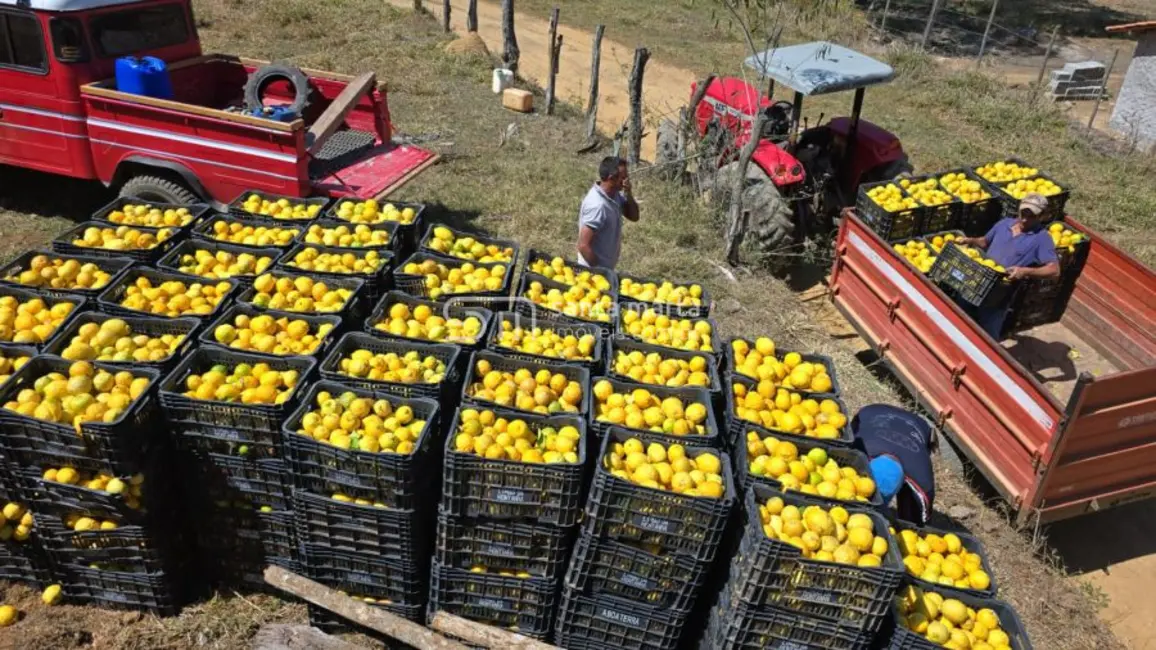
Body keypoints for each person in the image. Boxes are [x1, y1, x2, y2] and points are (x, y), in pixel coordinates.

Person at [955, 192, 1060, 339]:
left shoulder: (1042, 238)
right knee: (959, 315)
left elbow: (1054, 270)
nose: (1025, 219)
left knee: (988, 332)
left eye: (1032, 216)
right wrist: (970, 240)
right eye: (1023, 213)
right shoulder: (1004, 223)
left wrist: (1024, 271)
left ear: (1042, 216)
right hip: (977, 280)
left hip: (999, 293)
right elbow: (985, 241)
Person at [852, 404, 936, 525]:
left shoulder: (922, 478)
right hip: (872, 411)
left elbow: (921, 520)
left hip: (918, 424)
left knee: (910, 507)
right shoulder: (859, 449)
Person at [577, 156, 640, 270]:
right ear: (611, 178)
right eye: (623, 177)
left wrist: (628, 193)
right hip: (592, 272)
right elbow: (583, 246)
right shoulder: (597, 205)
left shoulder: (614, 195)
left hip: (605, 269)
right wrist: (600, 272)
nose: (627, 180)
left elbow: (634, 217)